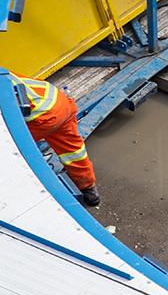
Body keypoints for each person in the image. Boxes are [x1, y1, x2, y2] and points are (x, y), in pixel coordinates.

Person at [11, 73, 101, 207]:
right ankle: (89, 190)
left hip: (41, 118)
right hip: (61, 103)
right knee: (73, 151)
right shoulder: (0, 73)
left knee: (10, 144)